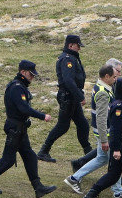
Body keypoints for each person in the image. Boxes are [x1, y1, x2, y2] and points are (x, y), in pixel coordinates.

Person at [0, 60, 57, 198]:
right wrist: (42, 116)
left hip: (20, 128)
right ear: (23, 72)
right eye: (31, 74)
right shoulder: (16, 87)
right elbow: (23, 108)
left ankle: (38, 187)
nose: (32, 77)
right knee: (9, 159)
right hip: (15, 128)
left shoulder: (20, 86)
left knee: (30, 157)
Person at [64, 63, 122, 198]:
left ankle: (74, 178)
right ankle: (118, 193)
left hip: (101, 133)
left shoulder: (100, 87)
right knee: (114, 163)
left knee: (101, 159)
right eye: (114, 77)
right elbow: (102, 118)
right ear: (106, 76)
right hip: (106, 134)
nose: (116, 79)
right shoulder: (103, 93)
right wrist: (104, 140)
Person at [38, 34, 90, 162]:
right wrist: (79, 96)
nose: (79, 49)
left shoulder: (71, 58)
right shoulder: (68, 59)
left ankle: (89, 153)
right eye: (78, 46)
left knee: (82, 124)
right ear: (71, 45)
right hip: (68, 96)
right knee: (63, 126)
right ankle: (43, 151)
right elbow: (68, 80)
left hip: (71, 96)